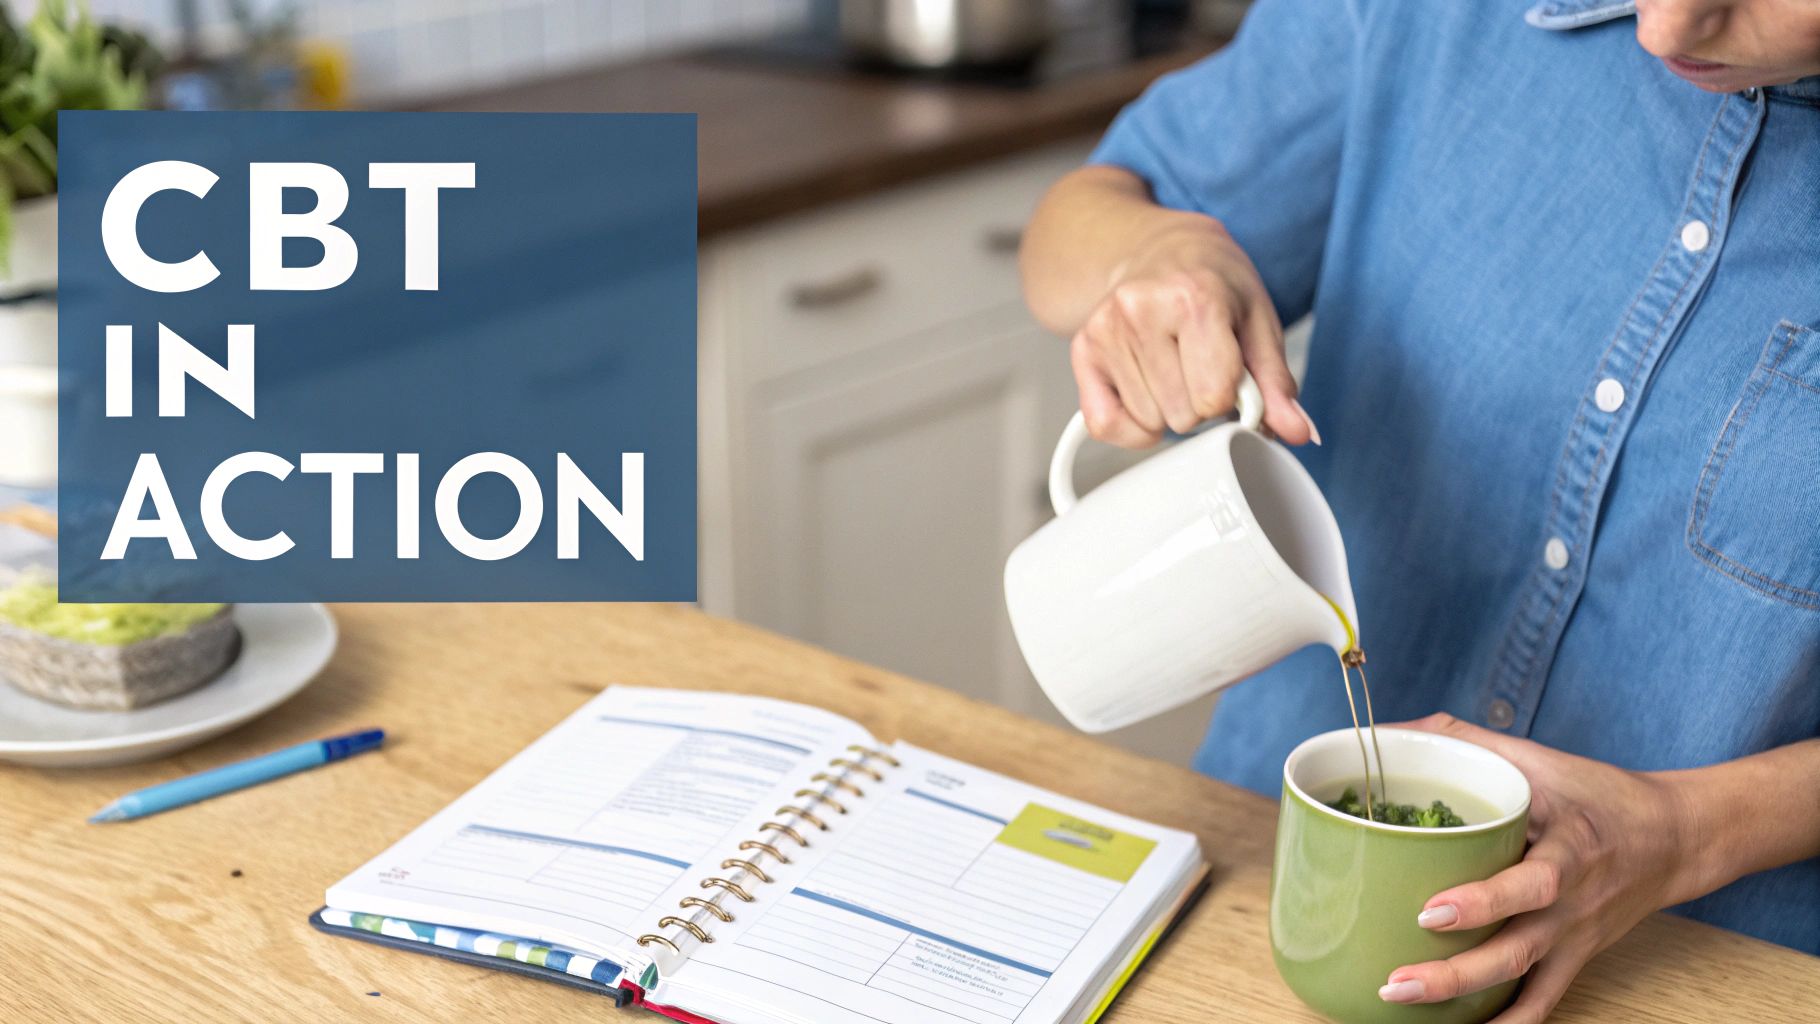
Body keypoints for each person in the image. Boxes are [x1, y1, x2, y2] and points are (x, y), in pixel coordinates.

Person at [1018, 0, 1820, 1020]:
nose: (1664, 28)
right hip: (1245, 893)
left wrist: (1686, 829)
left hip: (1703, 971)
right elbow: (1069, 226)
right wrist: (1158, 253)